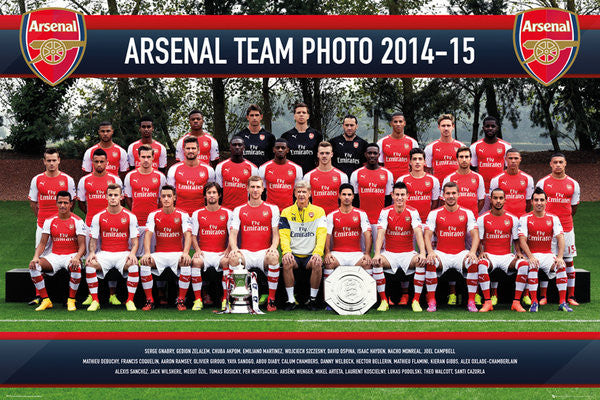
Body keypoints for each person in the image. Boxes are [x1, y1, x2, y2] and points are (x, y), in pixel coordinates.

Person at [423, 182, 481, 312]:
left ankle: (471, 301)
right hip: (442, 253)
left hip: (460, 253)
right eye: (448, 193)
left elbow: (475, 236)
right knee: (431, 260)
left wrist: (472, 252)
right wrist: (431, 252)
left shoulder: (467, 213)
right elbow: (427, 235)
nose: (451, 196)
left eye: (453, 193)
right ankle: (432, 301)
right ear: (443, 195)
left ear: (458, 194)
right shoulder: (434, 213)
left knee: (472, 261)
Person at [77, 148, 123, 306]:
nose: (98, 164)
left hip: (111, 227)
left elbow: (119, 202)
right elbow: (81, 202)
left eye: (101, 161)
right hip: (91, 225)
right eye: (96, 161)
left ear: (107, 163)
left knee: (111, 257)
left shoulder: (115, 179)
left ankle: (112, 294)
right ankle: (92, 294)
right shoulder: (84, 180)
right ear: (92, 163)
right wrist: (93, 216)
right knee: (91, 259)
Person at [372, 182, 427, 312]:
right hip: (390, 254)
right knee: (377, 263)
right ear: (392, 195)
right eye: (397, 194)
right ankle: (384, 300)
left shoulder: (413, 212)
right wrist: (377, 253)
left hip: (408, 254)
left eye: (402, 195)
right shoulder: (385, 212)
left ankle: (416, 301)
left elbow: (418, 232)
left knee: (420, 261)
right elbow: (381, 233)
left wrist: (422, 253)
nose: (400, 198)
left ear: (407, 196)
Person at [228, 176, 280, 311]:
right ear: (247, 188)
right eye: (252, 187)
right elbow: (233, 234)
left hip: (264, 252)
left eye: (258, 187)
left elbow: (276, 234)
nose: (255, 190)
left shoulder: (272, 208)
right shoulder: (239, 209)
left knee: (274, 257)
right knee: (233, 258)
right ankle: (238, 299)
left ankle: (271, 299)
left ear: (263, 189)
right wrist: (234, 248)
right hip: (246, 252)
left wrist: (273, 247)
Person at [28, 191, 86, 311]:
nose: (62, 205)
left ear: (71, 204)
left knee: (76, 267)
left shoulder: (78, 221)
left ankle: (71, 300)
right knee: (34, 266)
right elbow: (42, 243)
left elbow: (82, 246)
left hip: (71, 255)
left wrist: (76, 257)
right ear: (56, 204)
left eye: (65, 203)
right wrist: (35, 257)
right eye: (60, 202)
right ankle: (46, 300)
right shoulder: (49, 220)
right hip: (54, 255)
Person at [86, 183, 140, 311]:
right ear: (106, 197)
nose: (113, 198)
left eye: (116, 195)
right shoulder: (98, 217)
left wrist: (132, 253)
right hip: (105, 254)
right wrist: (92, 252)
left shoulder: (130, 216)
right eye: (110, 195)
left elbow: (135, 241)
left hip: (123, 254)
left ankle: (130, 300)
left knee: (133, 264)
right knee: (89, 264)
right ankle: (95, 300)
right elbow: (93, 239)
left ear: (121, 197)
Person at [536, 153, 580, 306]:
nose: (558, 165)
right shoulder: (542, 183)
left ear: (565, 163)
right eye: (555, 162)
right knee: (546, 261)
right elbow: (538, 205)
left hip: (566, 228)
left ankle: (571, 296)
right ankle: (543, 296)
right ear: (550, 164)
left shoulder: (573, 184)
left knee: (568, 261)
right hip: (547, 229)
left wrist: (562, 221)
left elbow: (573, 208)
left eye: (561, 162)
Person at [518, 187, 571, 312]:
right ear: (531, 202)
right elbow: (522, 240)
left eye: (542, 200)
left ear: (546, 202)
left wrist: (560, 257)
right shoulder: (525, 218)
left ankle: (562, 302)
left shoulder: (553, 218)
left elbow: (561, 238)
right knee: (532, 265)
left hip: (548, 254)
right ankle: (534, 302)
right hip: (532, 254)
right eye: (536, 200)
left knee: (561, 266)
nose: (539, 203)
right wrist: (530, 256)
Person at [477, 188, 530, 312]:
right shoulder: (482, 218)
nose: (498, 201)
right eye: (495, 198)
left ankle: (516, 302)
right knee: (481, 264)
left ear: (505, 200)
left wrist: (518, 253)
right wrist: (481, 252)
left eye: (501, 198)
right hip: (490, 255)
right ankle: (487, 302)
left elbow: (516, 239)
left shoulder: (513, 218)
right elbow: (479, 239)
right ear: (490, 200)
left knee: (523, 264)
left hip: (507, 256)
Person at [140, 185, 192, 311]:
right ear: (160, 198)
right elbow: (148, 235)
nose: (166, 199)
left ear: (174, 198)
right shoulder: (154, 214)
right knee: (145, 262)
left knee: (185, 262)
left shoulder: (183, 214)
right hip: (160, 255)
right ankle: (149, 300)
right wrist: (147, 252)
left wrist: (185, 253)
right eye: (163, 196)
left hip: (177, 254)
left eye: (169, 196)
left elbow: (188, 235)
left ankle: (181, 300)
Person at [279, 180, 327, 311]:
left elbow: (321, 234)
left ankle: (312, 300)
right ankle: (290, 300)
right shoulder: (286, 212)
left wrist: (318, 252)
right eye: (299, 191)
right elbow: (284, 235)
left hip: (310, 255)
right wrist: (286, 252)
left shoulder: (319, 211)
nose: (301, 194)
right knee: (286, 261)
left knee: (317, 262)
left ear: (310, 193)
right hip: (294, 255)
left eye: (304, 192)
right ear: (294, 193)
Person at [191, 182, 233, 311]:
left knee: (227, 261)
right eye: (209, 193)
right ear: (205, 196)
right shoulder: (197, 213)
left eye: (214, 192)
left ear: (219, 195)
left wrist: (228, 250)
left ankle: (225, 299)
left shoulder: (228, 213)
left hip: (220, 253)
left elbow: (232, 234)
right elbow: (193, 235)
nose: (212, 195)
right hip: (204, 253)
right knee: (195, 261)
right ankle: (198, 300)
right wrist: (197, 250)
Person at [124, 145, 167, 257]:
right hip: (136, 222)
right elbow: (128, 198)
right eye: (143, 157)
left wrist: (155, 215)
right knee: (135, 255)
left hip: (153, 223)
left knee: (151, 255)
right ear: (138, 157)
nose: (146, 160)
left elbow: (162, 199)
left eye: (149, 156)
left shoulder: (160, 176)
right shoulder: (130, 176)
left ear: (153, 158)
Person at [29, 148, 77, 250]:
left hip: (62, 226)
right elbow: (33, 203)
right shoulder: (36, 179)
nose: (51, 163)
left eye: (54, 160)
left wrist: (64, 217)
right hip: (42, 225)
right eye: (49, 160)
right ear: (44, 161)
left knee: (62, 256)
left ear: (59, 160)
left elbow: (72, 203)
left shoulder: (68, 180)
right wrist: (41, 218)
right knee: (40, 259)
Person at [323, 184, 372, 282]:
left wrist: (367, 254)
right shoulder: (331, 215)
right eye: (344, 194)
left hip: (356, 254)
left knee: (367, 263)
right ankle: (327, 296)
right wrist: (327, 253)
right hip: (337, 253)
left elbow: (368, 234)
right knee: (329, 262)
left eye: (349, 195)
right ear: (339, 196)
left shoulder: (361, 214)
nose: (346, 197)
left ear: (353, 196)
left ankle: (369, 296)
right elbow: (326, 236)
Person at [469, 116, 511, 210]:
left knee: (499, 219)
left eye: (493, 126)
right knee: (481, 219)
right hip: (482, 191)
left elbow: (508, 170)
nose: (490, 128)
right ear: (483, 128)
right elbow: (472, 169)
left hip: (500, 191)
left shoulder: (506, 146)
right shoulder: (475, 146)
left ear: (497, 128)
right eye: (487, 126)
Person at [350, 143, 393, 233]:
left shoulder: (387, 174)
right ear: (365, 154)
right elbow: (354, 199)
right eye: (370, 153)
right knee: (364, 247)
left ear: (379, 155)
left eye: (375, 153)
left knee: (380, 247)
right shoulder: (356, 174)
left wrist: (386, 218)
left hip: (380, 221)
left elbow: (388, 199)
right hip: (362, 220)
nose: (372, 155)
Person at [167, 136, 216, 215]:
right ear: (183, 150)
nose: (190, 151)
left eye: (193, 148)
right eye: (188, 148)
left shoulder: (209, 170)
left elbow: (212, 194)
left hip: (201, 214)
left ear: (198, 150)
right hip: (180, 214)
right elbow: (169, 195)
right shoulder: (174, 169)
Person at [397, 148, 441, 225]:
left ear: (424, 162)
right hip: (406, 222)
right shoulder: (402, 180)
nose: (417, 162)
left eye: (420, 159)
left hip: (426, 223)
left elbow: (435, 203)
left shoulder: (433, 180)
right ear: (410, 162)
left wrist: (430, 220)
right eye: (414, 159)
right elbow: (397, 202)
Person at [303, 141, 349, 215]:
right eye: (322, 153)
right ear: (318, 155)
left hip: (335, 218)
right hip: (315, 218)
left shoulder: (342, 176)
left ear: (332, 154)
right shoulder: (308, 176)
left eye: (327, 153)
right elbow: (304, 200)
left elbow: (346, 200)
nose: (324, 156)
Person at [214, 136, 259, 211]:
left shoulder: (252, 168)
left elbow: (255, 191)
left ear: (244, 147)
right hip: (226, 209)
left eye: (240, 145)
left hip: (245, 210)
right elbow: (219, 190)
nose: (237, 147)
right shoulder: (220, 166)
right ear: (230, 147)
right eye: (234, 145)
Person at [258, 138, 303, 211]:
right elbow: (260, 191)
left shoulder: (297, 168)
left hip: (289, 211)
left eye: (283, 148)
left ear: (287, 150)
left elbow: (298, 191)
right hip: (270, 210)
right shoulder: (263, 168)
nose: (280, 150)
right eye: (277, 148)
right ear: (273, 149)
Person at [489, 148, 534, 218]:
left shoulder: (528, 179)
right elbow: (492, 202)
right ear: (505, 159)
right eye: (510, 158)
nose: (513, 161)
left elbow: (529, 202)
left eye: (516, 158)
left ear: (520, 159)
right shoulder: (496, 179)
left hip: (521, 217)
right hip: (503, 218)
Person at [280, 102, 323, 174]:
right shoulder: (286, 136)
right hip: (292, 174)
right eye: (298, 112)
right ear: (294, 116)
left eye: (304, 112)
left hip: (311, 175)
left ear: (308, 116)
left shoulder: (317, 135)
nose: (301, 114)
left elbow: (320, 158)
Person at [442, 146, 485, 217]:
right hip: (454, 217)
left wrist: (472, 214)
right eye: (461, 157)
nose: (464, 160)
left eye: (466, 157)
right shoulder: (449, 178)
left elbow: (481, 201)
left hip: (472, 218)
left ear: (470, 159)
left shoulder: (478, 177)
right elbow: (444, 201)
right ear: (457, 159)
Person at [377, 112, 418, 181]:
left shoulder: (412, 142)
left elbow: (416, 164)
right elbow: (379, 164)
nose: (398, 124)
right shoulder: (381, 142)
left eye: (400, 121)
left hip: (406, 181)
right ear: (391, 123)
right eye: (395, 122)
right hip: (387, 181)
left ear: (404, 123)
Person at [424, 114, 465, 182]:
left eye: (448, 126)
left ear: (453, 127)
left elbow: (465, 168)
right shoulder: (430, 147)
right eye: (443, 126)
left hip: (457, 187)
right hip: (438, 188)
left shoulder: (461, 146)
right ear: (439, 127)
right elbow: (427, 170)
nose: (446, 128)